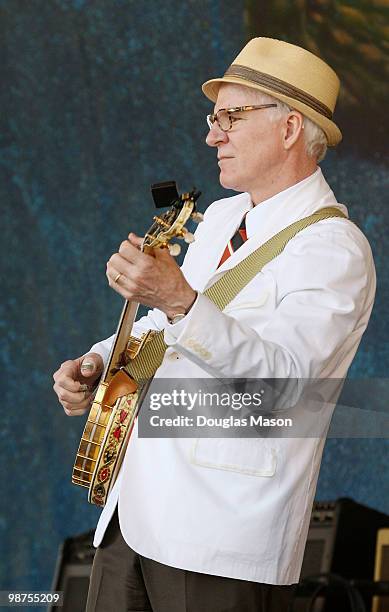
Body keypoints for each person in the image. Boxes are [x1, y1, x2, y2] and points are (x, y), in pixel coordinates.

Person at [53, 38, 376, 611]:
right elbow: (165, 325)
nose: (212, 135)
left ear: (290, 128)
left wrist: (181, 301)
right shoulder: (224, 217)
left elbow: (283, 389)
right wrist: (100, 360)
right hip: (133, 516)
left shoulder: (335, 249)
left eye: (231, 117)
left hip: (219, 535)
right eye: (213, 117)